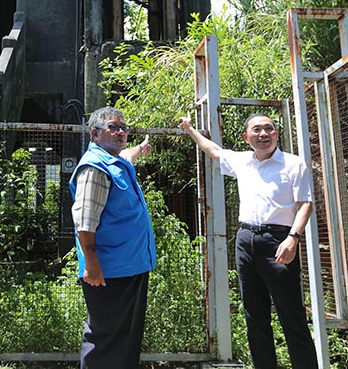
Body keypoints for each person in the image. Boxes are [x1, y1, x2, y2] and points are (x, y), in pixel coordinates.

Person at [178, 113, 318, 369]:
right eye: (257, 130)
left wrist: (293, 238)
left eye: (269, 129)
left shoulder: (293, 164)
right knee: (254, 316)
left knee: (292, 316)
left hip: (280, 240)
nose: (263, 134)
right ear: (247, 137)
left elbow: (305, 204)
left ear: (277, 133)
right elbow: (215, 151)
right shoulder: (243, 161)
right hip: (246, 240)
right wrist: (189, 130)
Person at [69, 106, 156, 368]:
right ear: (95, 133)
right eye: (113, 128)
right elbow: (84, 224)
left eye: (124, 128)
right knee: (105, 339)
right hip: (108, 272)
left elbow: (128, 155)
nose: (121, 132)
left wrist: (141, 147)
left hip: (130, 267)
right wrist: (92, 265)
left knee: (125, 340)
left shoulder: (115, 161)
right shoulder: (95, 168)